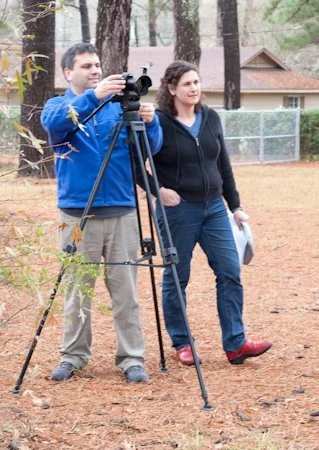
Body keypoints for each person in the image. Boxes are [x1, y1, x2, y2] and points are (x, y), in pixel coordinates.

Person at [40, 43, 163, 383]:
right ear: (68, 73)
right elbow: (54, 125)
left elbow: (149, 150)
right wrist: (94, 96)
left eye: (97, 65)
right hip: (78, 213)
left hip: (122, 210)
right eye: (86, 66)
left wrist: (150, 124)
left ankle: (132, 359)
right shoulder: (59, 106)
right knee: (78, 289)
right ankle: (73, 356)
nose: (95, 70)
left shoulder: (118, 108)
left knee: (126, 291)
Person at [138, 60, 272, 366]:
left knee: (230, 271)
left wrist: (235, 206)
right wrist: (157, 190)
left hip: (214, 208)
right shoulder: (157, 121)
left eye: (196, 82)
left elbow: (222, 164)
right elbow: (135, 161)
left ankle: (236, 344)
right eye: (186, 83)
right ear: (171, 88)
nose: (194, 88)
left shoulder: (210, 118)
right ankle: (182, 342)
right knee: (177, 276)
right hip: (177, 211)